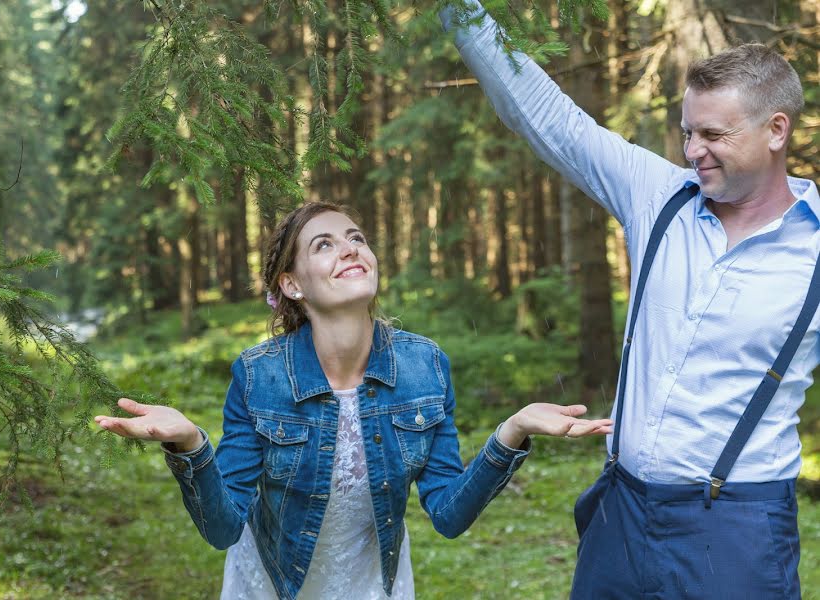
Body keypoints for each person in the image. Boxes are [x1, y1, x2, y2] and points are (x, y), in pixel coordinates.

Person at [442, 4, 818, 598]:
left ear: (776, 130)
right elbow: (549, 117)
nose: (693, 151)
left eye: (715, 135)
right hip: (621, 511)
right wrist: (458, 9)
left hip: (741, 529)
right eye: (688, 131)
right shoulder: (658, 195)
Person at [94, 201, 612, 600]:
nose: (350, 249)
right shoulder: (259, 376)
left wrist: (513, 431)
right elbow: (224, 526)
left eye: (356, 238)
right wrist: (189, 443)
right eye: (323, 244)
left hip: (374, 584)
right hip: (274, 584)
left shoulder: (423, 367)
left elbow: (449, 515)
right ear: (292, 284)